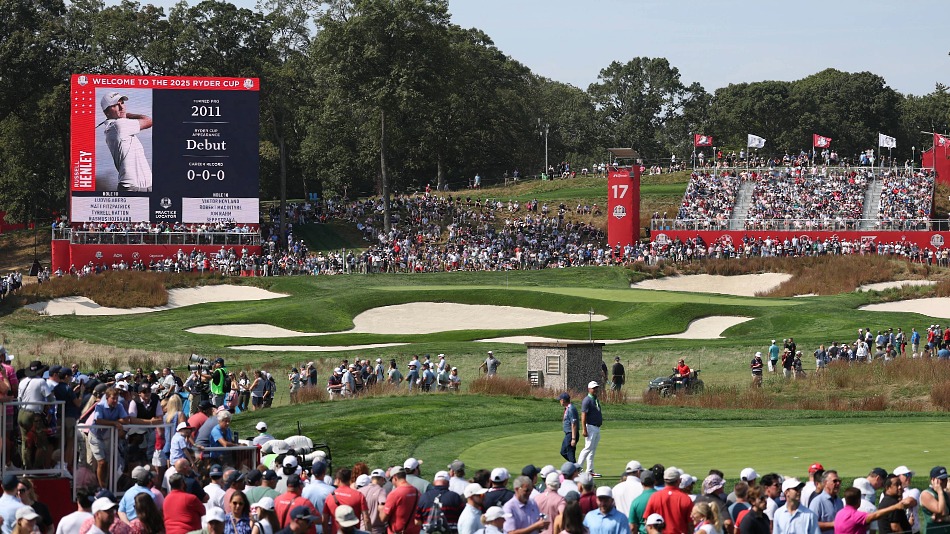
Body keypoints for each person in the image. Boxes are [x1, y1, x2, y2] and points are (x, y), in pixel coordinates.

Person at [100, 91, 153, 192]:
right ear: (106, 112)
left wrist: (123, 115)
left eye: (122, 103)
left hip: (144, 188)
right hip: (132, 189)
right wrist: (127, 114)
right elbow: (148, 120)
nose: (122, 107)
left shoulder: (115, 126)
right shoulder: (119, 125)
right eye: (115, 105)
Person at [90, 387, 132, 489]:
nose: (115, 401)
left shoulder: (119, 406)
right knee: (102, 462)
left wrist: (116, 422)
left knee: (109, 463)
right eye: (113, 398)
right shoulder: (100, 406)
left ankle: (108, 486)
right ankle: (102, 488)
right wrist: (114, 423)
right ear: (107, 398)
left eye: (116, 398)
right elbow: (98, 420)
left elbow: (126, 420)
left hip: (108, 437)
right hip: (96, 436)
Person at [17, 360, 53, 470]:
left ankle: (26, 467)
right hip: (34, 415)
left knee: (26, 442)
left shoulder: (22, 381)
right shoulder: (41, 381)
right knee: (42, 443)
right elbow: (51, 399)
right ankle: (37, 468)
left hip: (21, 413)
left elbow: (19, 399)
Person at [644, 467, 693, 534]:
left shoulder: (654, 497)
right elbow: (690, 524)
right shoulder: (685, 498)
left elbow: (647, 520)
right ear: (679, 481)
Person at [380, 467, 420, 534]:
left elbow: (383, 518)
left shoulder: (394, 493)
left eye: (391, 480)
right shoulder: (417, 492)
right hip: (415, 531)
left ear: (395, 478)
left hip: (397, 531)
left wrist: (381, 508)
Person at [576, 382, 603, 477]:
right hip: (590, 427)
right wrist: (584, 429)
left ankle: (590, 470)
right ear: (589, 389)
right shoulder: (587, 400)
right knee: (587, 448)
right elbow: (583, 415)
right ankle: (578, 468)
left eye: (596, 388)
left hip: (597, 427)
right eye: (593, 388)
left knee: (592, 450)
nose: (595, 390)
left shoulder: (595, 399)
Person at [919, 467, 950, 534]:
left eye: (946, 478)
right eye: (942, 479)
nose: (945, 481)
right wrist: (940, 492)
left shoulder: (946, 494)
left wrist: (945, 518)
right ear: (933, 480)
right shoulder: (926, 494)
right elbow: (942, 512)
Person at [558, 393, 579, 463]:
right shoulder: (567, 408)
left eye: (560, 400)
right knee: (563, 452)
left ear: (563, 400)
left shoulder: (571, 409)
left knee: (570, 453)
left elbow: (574, 424)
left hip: (571, 434)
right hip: (568, 434)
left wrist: (573, 439)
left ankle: (576, 467)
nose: (559, 401)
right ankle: (575, 466)